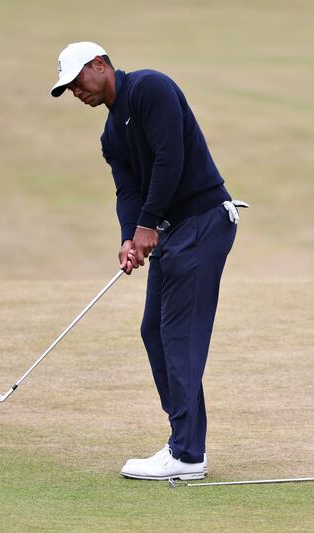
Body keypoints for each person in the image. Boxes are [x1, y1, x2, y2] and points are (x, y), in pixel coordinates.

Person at [50, 42, 247, 481]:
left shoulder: (149, 88)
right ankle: (186, 444)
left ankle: (186, 453)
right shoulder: (110, 136)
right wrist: (130, 235)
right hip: (173, 229)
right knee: (154, 331)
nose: (76, 93)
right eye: (68, 90)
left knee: (177, 334)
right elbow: (128, 192)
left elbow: (169, 158)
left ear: (100, 65)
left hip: (202, 221)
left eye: (76, 81)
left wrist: (148, 225)